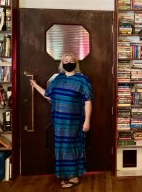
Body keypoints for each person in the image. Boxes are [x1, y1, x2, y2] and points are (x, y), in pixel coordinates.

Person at [30, 52, 93, 188]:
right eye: (65, 60)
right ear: (62, 63)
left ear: (75, 63)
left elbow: (88, 101)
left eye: (71, 60)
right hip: (58, 121)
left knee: (72, 147)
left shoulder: (82, 80)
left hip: (74, 121)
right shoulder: (57, 79)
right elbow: (49, 96)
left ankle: (74, 177)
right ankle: (67, 175)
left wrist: (87, 120)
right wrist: (35, 85)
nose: (68, 62)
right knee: (61, 148)